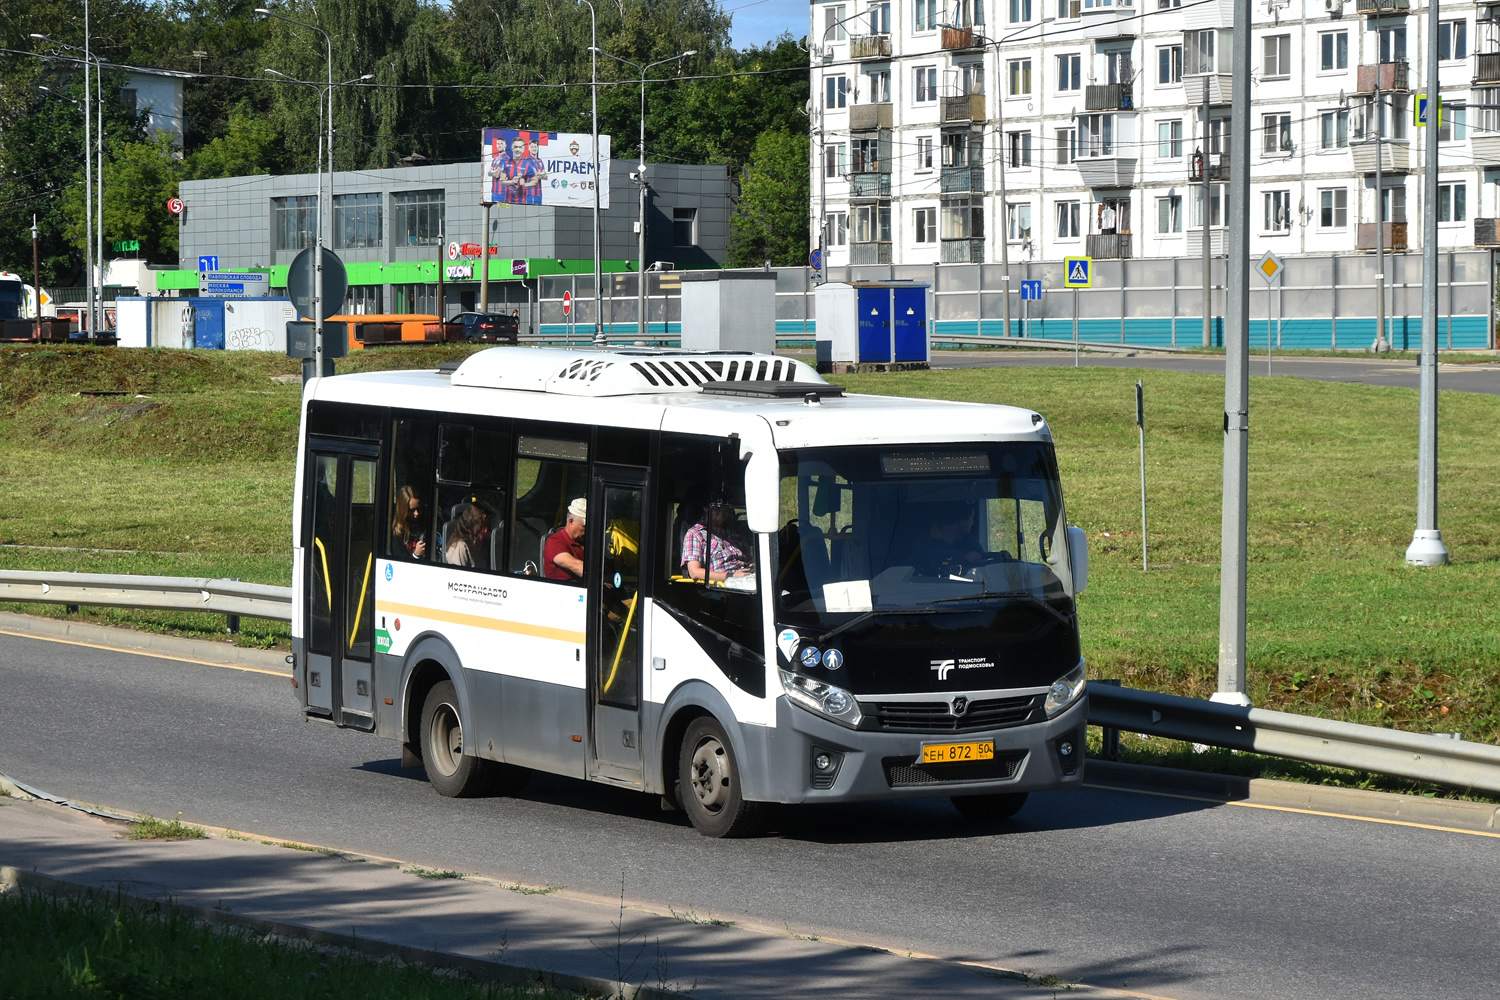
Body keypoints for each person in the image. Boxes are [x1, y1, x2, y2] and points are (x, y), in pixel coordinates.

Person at [681, 502, 754, 583]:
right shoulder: (695, 534)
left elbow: (748, 559)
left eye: (725, 509)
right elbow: (694, 572)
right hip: (720, 586)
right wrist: (731, 576)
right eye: (717, 509)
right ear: (706, 508)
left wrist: (751, 566)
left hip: (746, 576)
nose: (722, 513)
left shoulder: (733, 531)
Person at [907, 502, 984, 577]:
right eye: (971, 518)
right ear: (961, 521)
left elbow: (983, 565)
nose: (972, 522)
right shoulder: (923, 542)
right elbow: (918, 566)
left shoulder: (970, 541)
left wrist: (977, 560)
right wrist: (961, 558)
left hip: (962, 588)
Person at [543, 497, 586, 581]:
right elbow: (577, 567)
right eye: (584, 526)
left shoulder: (587, 541)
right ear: (571, 521)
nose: (589, 530)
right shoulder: (554, 542)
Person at [392, 485, 427, 560]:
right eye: (412, 510)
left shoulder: (427, 523)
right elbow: (399, 565)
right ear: (403, 511)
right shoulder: (398, 533)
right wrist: (416, 555)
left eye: (418, 508)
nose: (416, 513)